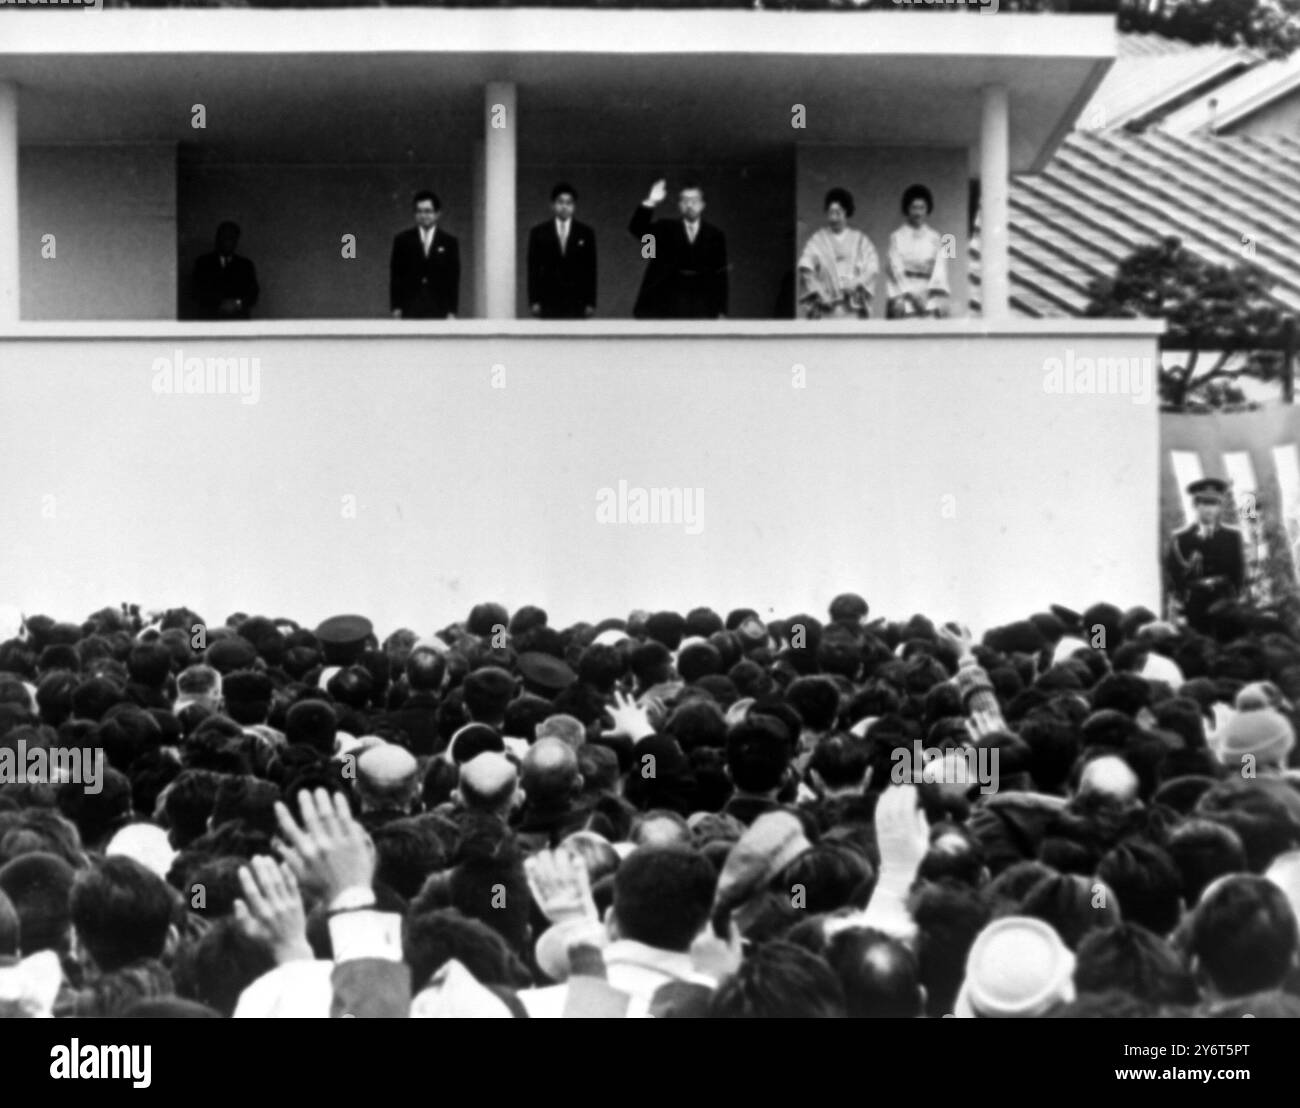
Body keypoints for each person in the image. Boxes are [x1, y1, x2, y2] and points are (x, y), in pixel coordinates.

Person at [628, 178, 728, 319]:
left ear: (703, 205)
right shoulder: (664, 228)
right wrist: (651, 201)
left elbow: (721, 275)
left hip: (702, 302)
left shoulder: (715, 235)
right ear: (679, 205)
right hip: (667, 299)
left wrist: (721, 309)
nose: (690, 204)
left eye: (695, 200)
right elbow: (637, 228)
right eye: (685, 200)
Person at [1165, 477, 1246, 633]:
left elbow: (1238, 572)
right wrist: (1183, 600)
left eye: (1214, 504)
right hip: (1195, 604)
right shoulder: (1181, 538)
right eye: (1205, 504)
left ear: (1219, 507)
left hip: (1224, 603)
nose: (1210, 510)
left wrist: (1234, 598)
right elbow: (1173, 573)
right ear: (1195, 505)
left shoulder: (1232, 537)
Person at [797, 188, 879, 320]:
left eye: (838, 213)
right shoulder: (818, 240)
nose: (833, 217)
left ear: (846, 212)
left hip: (852, 307)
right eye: (830, 213)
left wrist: (856, 283)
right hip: (827, 308)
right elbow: (805, 267)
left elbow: (872, 267)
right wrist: (820, 292)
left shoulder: (859, 240)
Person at [527, 183, 597, 320]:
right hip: (548, 298)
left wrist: (591, 302)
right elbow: (533, 269)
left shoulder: (586, 233)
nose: (564, 206)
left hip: (577, 299)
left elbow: (591, 270)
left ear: (574, 206)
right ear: (552, 205)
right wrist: (534, 301)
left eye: (569, 203)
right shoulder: (539, 232)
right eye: (560, 202)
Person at [389, 190, 460, 320]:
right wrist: (396, 307)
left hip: (439, 307)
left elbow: (453, 278)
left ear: (437, 214)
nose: (423, 215)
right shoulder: (402, 240)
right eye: (419, 211)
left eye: (427, 211)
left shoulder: (449, 242)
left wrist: (452, 310)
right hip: (410, 306)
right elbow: (396, 276)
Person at [885, 184, 951, 319]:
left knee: (942, 308)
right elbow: (895, 268)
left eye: (922, 208)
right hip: (904, 292)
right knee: (899, 308)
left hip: (929, 292)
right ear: (907, 209)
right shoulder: (896, 237)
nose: (918, 213)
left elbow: (940, 267)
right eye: (914, 208)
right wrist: (911, 293)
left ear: (927, 209)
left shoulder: (938, 237)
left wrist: (927, 293)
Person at [192, 221, 259, 320]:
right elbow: (195, 291)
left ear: (236, 241)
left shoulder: (246, 265)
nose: (227, 241)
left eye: (231, 238)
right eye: (224, 237)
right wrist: (219, 304)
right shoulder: (202, 262)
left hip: (238, 320)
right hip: (210, 320)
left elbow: (253, 293)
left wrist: (237, 303)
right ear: (217, 238)